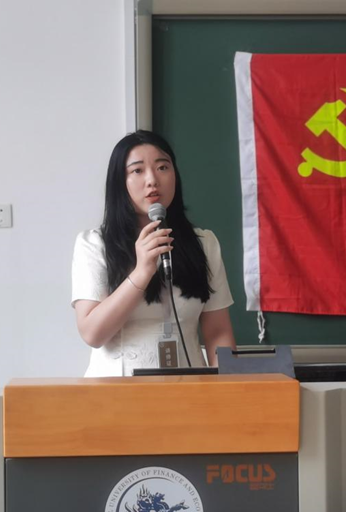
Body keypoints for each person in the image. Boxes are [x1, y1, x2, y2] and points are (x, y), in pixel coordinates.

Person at [71, 130, 235, 377]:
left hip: (189, 389)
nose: (152, 180)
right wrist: (142, 272)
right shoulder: (94, 244)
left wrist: (226, 388)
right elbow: (93, 333)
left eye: (162, 167)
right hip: (114, 390)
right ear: (119, 182)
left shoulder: (204, 243)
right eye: (137, 170)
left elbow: (218, 332)